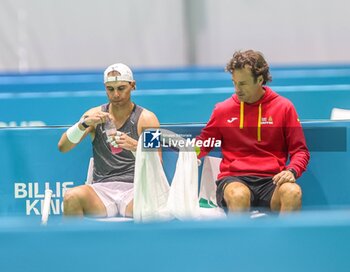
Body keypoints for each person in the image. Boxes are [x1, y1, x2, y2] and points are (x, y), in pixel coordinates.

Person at [196, 50, 310, 213]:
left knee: (293, 192)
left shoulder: (284, 107)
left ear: (260, 80)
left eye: (242, 83)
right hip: (234, 179)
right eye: (234, 83)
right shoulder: (222, 110)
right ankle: (240, 239)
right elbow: (204, 144)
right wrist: (188, 150)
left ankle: (286, 239)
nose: (237, 89)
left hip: (272, 181)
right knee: (238, 195)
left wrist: (292, 171)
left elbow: (300, 151)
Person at [58, 63, 160, 218]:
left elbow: (157, 163)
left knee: (149, 208)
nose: (116, 95)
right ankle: (74, 243)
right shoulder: (93, 115)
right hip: (101, 190)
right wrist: (83, 124)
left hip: (136, 188)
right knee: (71, 197)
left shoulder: (147, 119)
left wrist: (135, 146)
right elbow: (63, 147)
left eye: (121, 88)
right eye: (110, 89)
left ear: (132, 86)